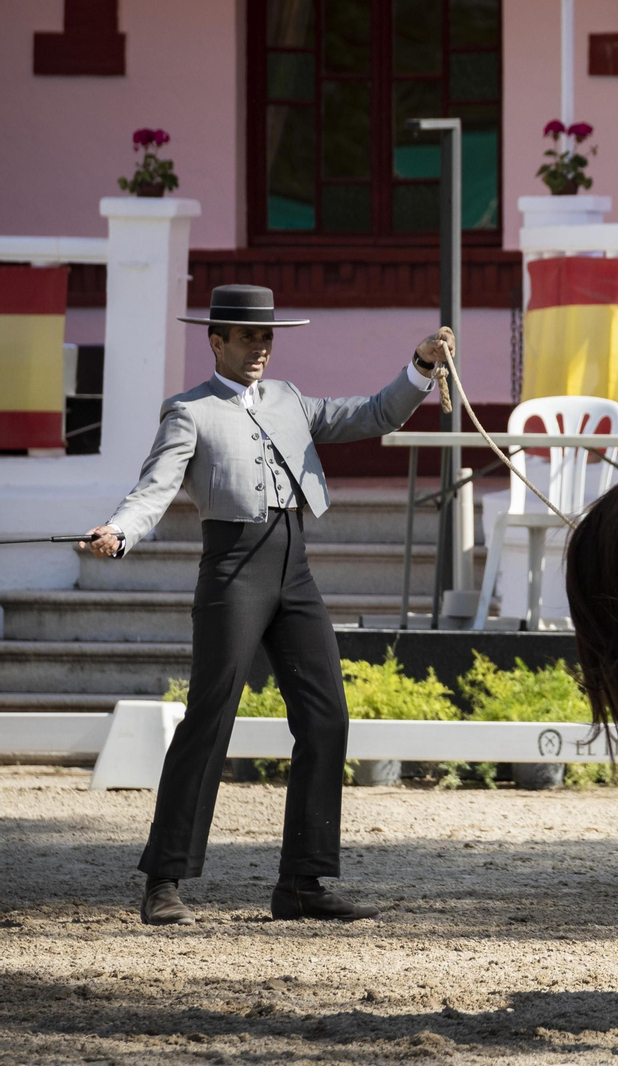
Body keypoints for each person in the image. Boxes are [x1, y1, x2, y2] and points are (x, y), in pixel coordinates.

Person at [81, 284, 454, 926]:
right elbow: (155, 487)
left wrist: (419, 367)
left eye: (267, 337)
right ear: (216, 341)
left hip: (295, 567)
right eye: (248, 337)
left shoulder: (290, 400)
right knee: (210, 718)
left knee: (326, 716)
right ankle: (163, 881)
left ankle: (302, 883)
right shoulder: (188, 410)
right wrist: (120, 532)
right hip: (232, 570)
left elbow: (372, 415)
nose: (260, 348)